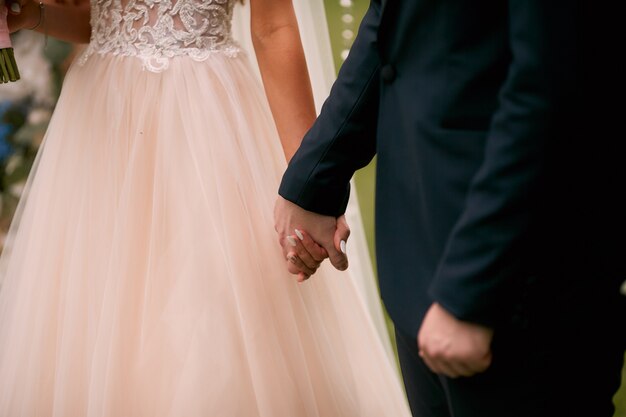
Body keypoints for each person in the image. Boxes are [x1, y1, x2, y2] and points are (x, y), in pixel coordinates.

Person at [0, 0, 412, 415]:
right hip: (103, 127)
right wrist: (33, 15)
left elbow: (273, 30)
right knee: (98, 318)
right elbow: (104, 19)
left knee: (209, 326)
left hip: (203, 126)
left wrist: (308, 182)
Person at [275, 1, 626, 416]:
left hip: (520, 284)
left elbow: (555, 83)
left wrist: (472, 291)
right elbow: (391, 22)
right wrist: (313, 179)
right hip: (418, 254)